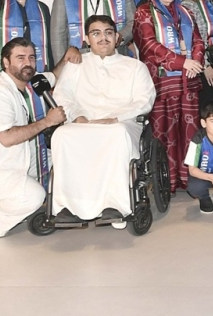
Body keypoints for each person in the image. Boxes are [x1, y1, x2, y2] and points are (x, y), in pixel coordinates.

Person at [51, 15, 156, 225]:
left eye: (108, 33)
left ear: (116, 37)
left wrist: (115, 118)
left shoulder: (135, 67)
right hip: (83, 122)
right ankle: (69, 206)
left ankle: (115, 205)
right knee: (62, 134)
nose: (103, 38)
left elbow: (145, 100)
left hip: (122, 123)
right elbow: (62, 96)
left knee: (116, 133)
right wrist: (77, 116)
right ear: (86, 39)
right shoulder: (76, 65)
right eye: (96, 33)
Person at [0, 38, 66, 238]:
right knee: (34, 195)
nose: (28, 63)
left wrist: (68, 56)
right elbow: (6, 138)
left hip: (14, 158)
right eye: (20, 58)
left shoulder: (28, 83)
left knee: (63, 162)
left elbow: (53, 76)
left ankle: (10, 203)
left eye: (31, 58)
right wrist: (47, 122)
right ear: (6, 63)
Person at [133, 0, 204, 193]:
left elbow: (198, 41)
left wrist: (196, 62)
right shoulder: (144, 12)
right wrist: (183, 62)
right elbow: (149, 45)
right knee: (165, 133)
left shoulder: (186, 11)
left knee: (190, 132)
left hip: (188, 83)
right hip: (162, 84)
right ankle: (167, 182)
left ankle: (191, 179)